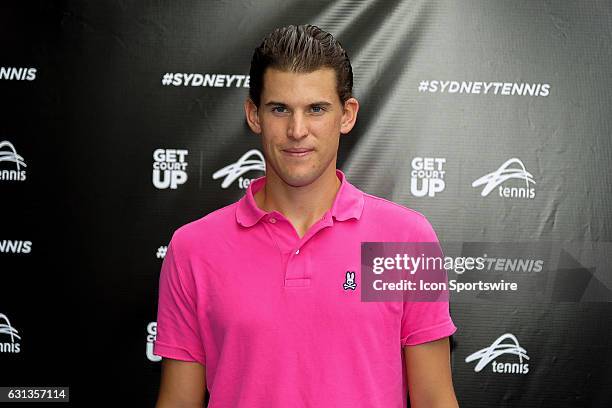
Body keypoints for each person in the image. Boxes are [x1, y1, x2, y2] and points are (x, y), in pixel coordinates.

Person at [154, 24, 458, 407]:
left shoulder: (406, 240)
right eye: (280, 109)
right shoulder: (193, 248)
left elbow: (434, 399)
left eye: (316, 109)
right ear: (254, 115)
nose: (297, 131)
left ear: (346, 115)